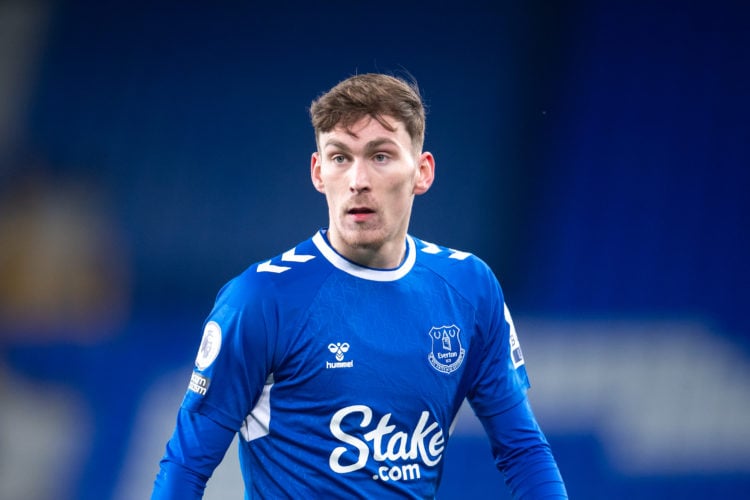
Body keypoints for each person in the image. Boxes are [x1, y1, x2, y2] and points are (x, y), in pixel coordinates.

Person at [151, 73, 567, 499]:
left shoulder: (469, 288)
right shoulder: (260, 300)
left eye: (380, 156)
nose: (358, 180)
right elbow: (185, 467)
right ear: (318, 172)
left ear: (422, 173)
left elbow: (523, 451)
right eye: (340, 158)